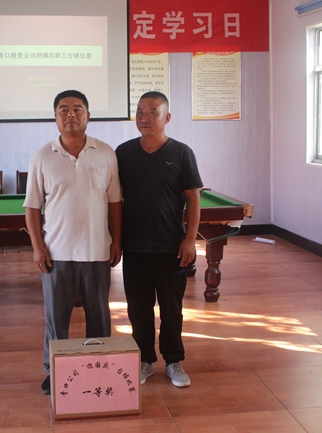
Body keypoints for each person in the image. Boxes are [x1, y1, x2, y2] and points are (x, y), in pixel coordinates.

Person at [24, 90, 122, 395]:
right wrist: (38, 247)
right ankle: (54, 372)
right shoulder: (42, 157)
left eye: (78, 109)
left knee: (99, 318)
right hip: (57, 254)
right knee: (56, 320)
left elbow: (115, 203)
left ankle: (100, 370)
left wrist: (116, 241)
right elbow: (32, 207)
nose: (71, 114)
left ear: (88, 116)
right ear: (55, 118)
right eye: (63, 109)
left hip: (97, 251)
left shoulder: (105, 153)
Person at [115, 91, 203, 388]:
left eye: (153, 112)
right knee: (138, 309)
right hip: (135, 247)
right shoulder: (124, 153)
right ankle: (144, 361)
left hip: (171, 247)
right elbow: (114, 200)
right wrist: (116, 240)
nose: (145, 118)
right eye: (140, 112)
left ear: (167, 117)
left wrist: (190, 239)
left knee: (171, 309)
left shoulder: (181, 153)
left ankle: (174, 361)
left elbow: (193, 198)